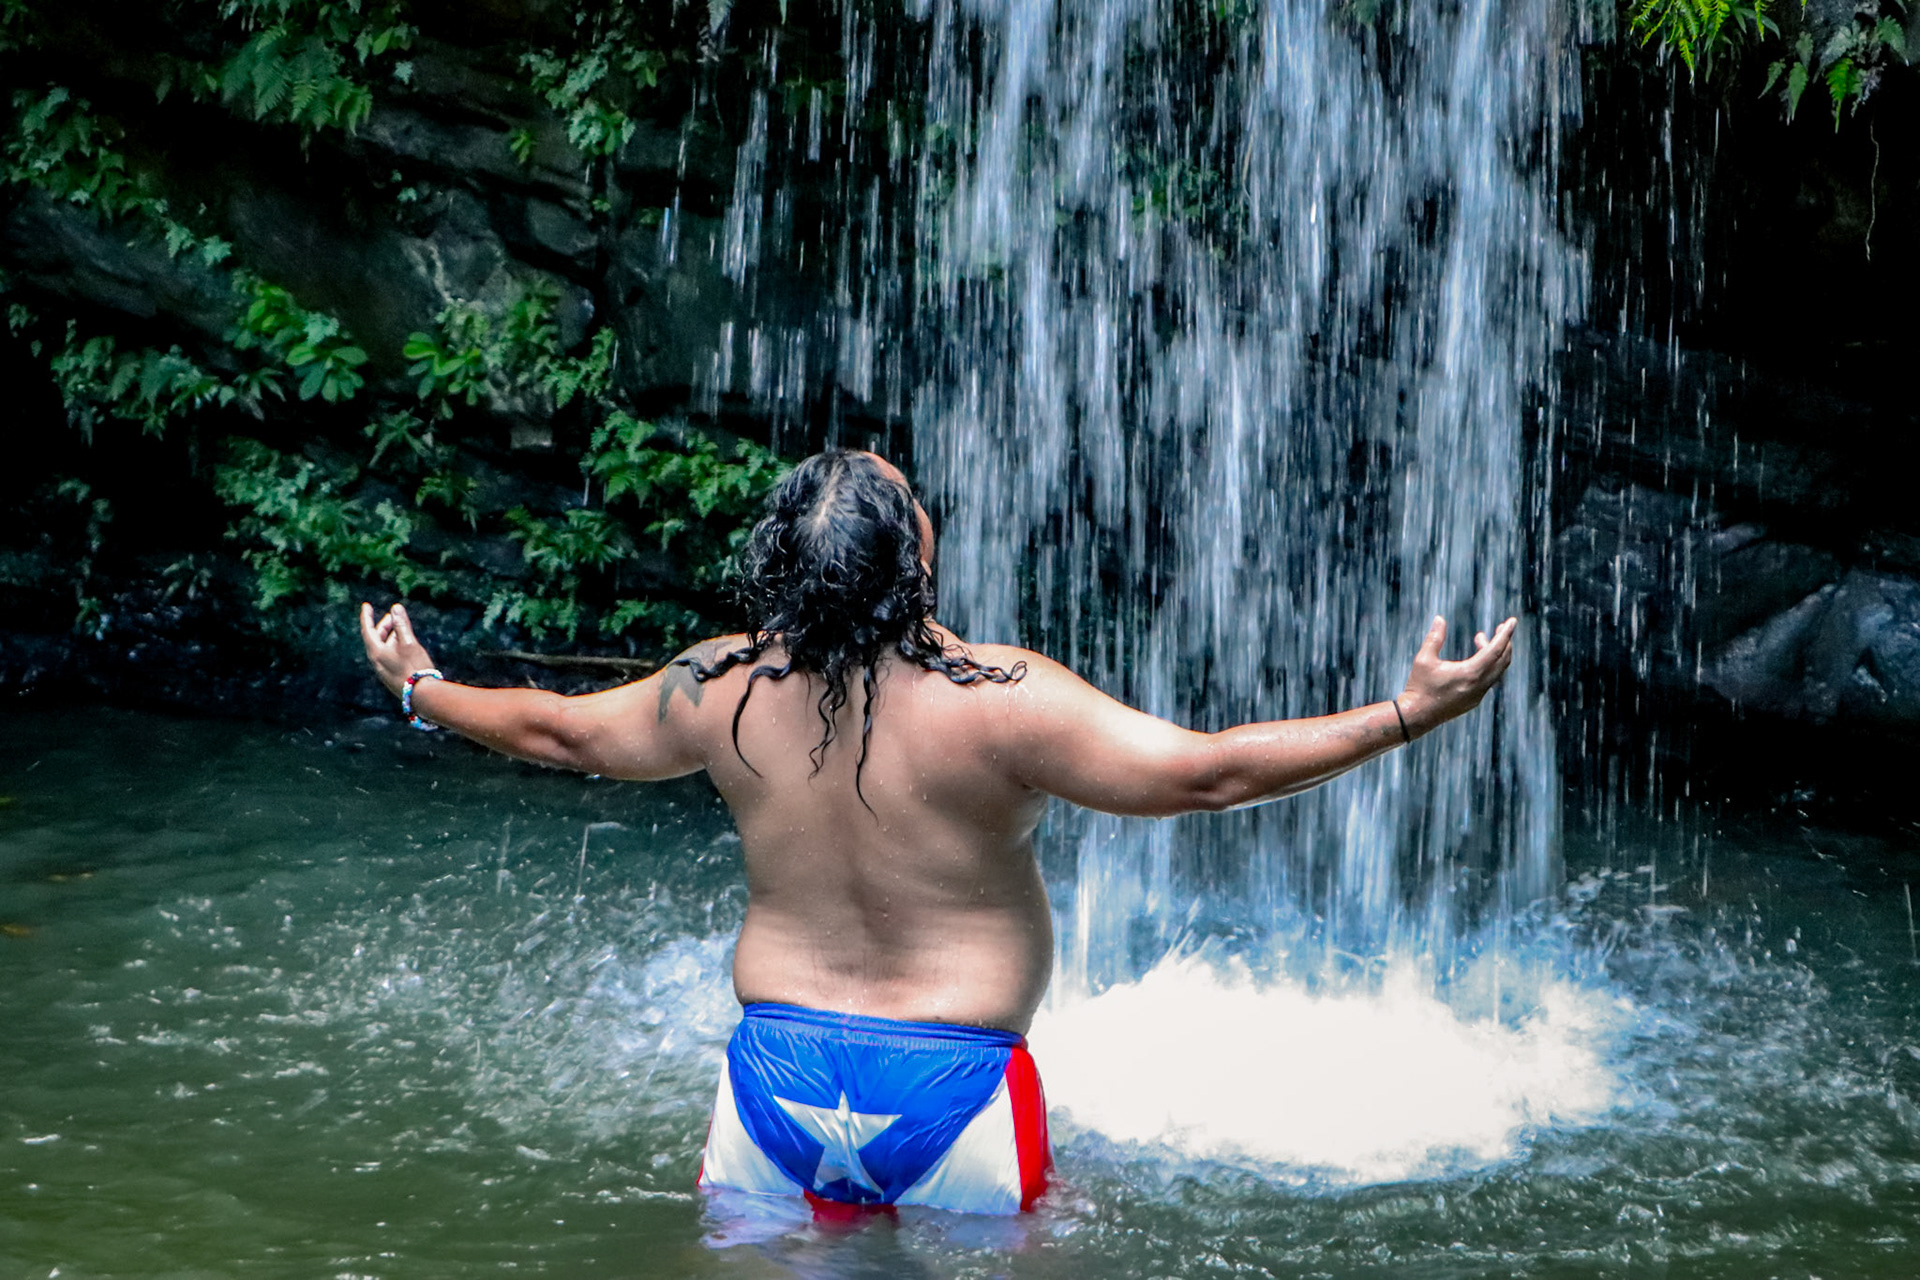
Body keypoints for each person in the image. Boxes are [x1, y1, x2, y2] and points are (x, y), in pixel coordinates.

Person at [358, 448, 1515, 1217]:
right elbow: (1207, 774)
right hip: (955, 1088)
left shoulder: (718, 687)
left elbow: (559, 731)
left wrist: (422, 687)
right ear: (913, 552)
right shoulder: (1004, 699)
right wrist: (1406, 713)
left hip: (771, 1079)